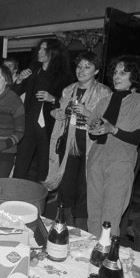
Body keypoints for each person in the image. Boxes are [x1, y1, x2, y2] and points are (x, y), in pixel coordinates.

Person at [43, 52, 111, 230]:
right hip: (69, 143)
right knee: (66, 184)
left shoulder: (104, 92)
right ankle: (63, 222)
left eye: (87, 67)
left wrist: (88, 113)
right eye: (79, 66)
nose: (81, 70)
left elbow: (109, 124)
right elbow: (61, 112)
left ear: (96, 71)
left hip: (90, 145)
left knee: (85, 185)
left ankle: (81, 227)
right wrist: (56, 113)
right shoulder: (69, 89)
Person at [87, 55, 140, 237]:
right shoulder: (104, 101)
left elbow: (137, 137)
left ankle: (107, 254)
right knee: (93, 212)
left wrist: (112, 129)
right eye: (115, 72)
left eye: (123, 72)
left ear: (135, 76)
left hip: (120, 163)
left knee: (110, 215)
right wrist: (94, 128)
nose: (117, 76)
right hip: (96, 159)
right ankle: (90, 252)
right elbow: (92, 133)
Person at [12, 38, 73, 182]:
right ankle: (15, 194)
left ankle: (40, 197)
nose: (39, 52)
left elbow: (69, 103)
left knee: (44, 164)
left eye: (44, 49)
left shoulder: (64, 76)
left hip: (49, 125)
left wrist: (52, 99)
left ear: (54, 52)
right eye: (39, 48)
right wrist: (19, 79)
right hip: (29, 122)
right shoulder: (33, 71)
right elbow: (15, 95)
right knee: (21, 161)